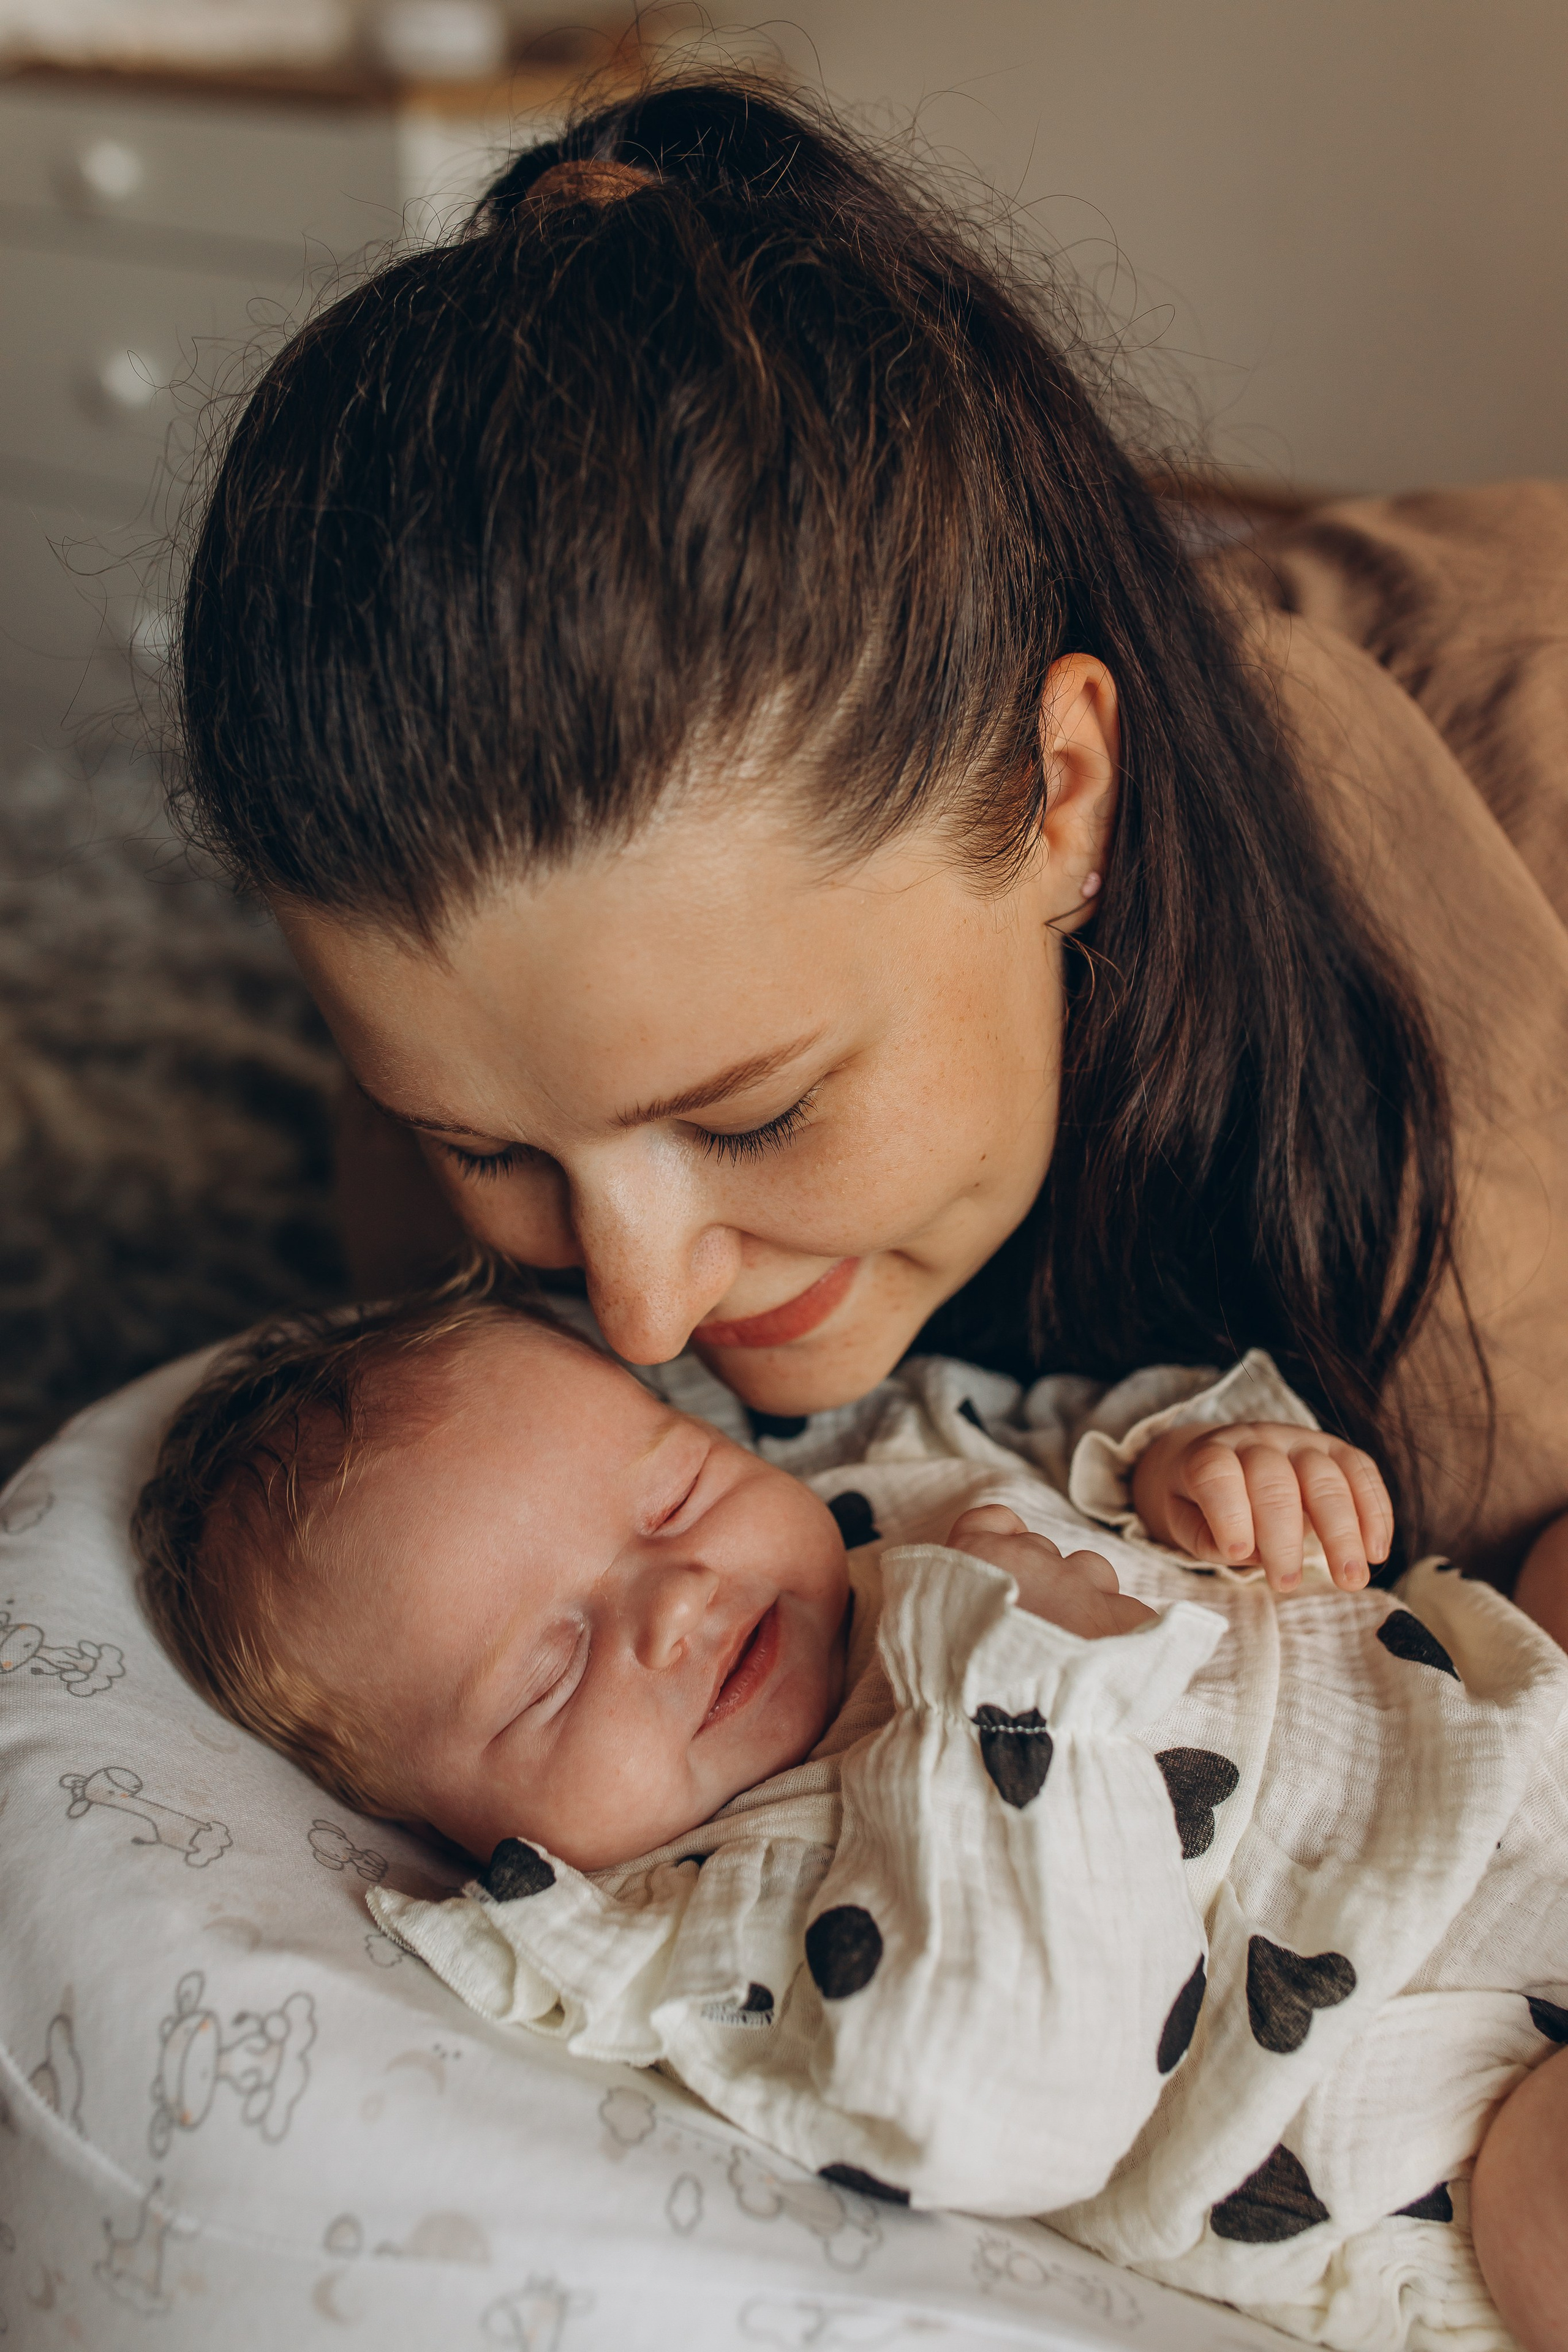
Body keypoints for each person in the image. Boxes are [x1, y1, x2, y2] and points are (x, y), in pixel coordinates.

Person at [172, 75, 1568, 1618]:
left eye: (758, 1115)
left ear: (1061, 797)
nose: (640, 1310)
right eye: (486, 1152)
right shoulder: (483, 1011)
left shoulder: (1473, 900)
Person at [131, 1275, 1568, 2352]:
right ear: (479, 1839)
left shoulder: (864, 1475)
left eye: (675, 1498)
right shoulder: (730, 1908)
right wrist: (1021, 1689)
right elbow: (1001, 2103)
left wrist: (1208, 1458)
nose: (679, 1602)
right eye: (553, 1672)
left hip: (1507, 1744)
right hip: (1452, 2081)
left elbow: (1070, 1421)